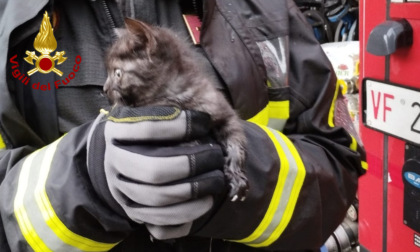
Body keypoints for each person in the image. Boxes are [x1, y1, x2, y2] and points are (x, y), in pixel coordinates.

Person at [0, 0, 367, 251]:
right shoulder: (9, 20)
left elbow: (339, 161)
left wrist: (233, 172)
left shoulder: (264, 8)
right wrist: (82, 180)